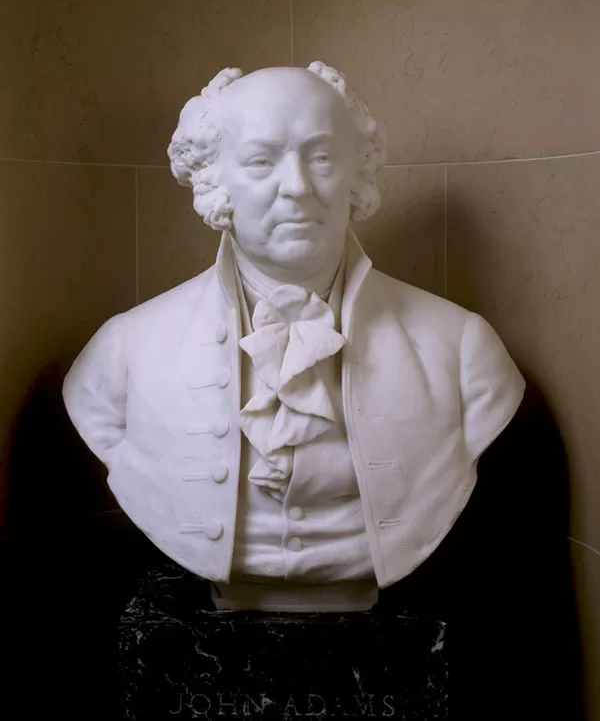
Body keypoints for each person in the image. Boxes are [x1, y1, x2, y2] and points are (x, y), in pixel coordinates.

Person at [62, 62, 524, 612]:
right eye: (261, 160)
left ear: (358, 170)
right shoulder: (124, 354)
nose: (298, 187)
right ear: (215, 179)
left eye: (322, 156)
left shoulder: (464, 349)